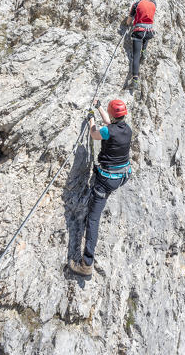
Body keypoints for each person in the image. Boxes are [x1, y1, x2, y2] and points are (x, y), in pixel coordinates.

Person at [69, 98, 132, 277]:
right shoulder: (126, 129)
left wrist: (91, 119)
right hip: (122, 175)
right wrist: (98, 108)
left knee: (93, 219)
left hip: (106, 180)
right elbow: (109, 124)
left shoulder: (108, 131)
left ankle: (87, 263)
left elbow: (95, 133)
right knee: (99, 203)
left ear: (113, 115)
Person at [126, 0, 156, 87]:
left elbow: (129, 20)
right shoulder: (154, 4)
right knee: (145, 37)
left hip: (139, 31)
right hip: (149, 32)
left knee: (136, 56)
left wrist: (128, 23)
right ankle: (144, 50)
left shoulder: (137, 4)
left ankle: (135, 80)